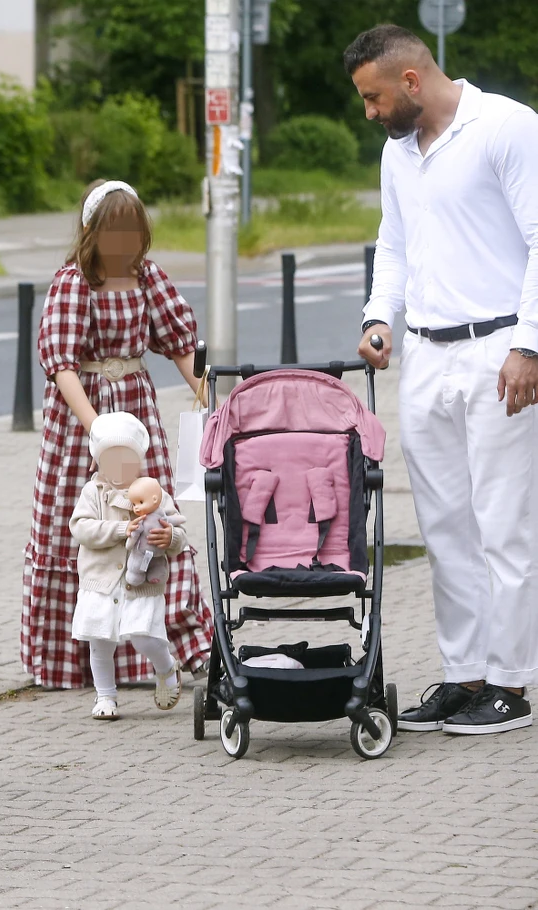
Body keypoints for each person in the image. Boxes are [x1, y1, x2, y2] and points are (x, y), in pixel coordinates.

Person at [347, 25, 538, 735]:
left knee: (504, 524)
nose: (370, 113)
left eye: (373, 98)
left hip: (498, 350)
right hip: (425, 354)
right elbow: (393, 243)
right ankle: (465, 675)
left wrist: (529, 346)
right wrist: (379, 316)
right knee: (445, 527)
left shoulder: (507, 128)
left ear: (410, 81)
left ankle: (511, 684)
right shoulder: (398, 152)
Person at [22, 179, 213, 693]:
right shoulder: (74, 282)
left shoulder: (148, 276)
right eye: (115, 231)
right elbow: (61, 365)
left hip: (136, 409)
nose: (125, 241)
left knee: (151, 515)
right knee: (83, 519)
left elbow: (180, 343)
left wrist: (209, 397)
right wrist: (98, 431)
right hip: (81, 421)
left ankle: (175, 645)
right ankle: (80, 659)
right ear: (93, 231)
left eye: (133, 230)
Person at [70, 412, 187, 720]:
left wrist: (170, 537)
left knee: (143, 636)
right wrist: (121, 529)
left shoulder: (153, 492)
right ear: (98, 461)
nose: (119, 467)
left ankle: (166, 667)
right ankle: (105, 696)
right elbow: (81, 528)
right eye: (111, 459)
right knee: (100, 641)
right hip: (101, 581)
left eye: (127, 459)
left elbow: (179, 532)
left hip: (143, 582)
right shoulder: (93, 492)